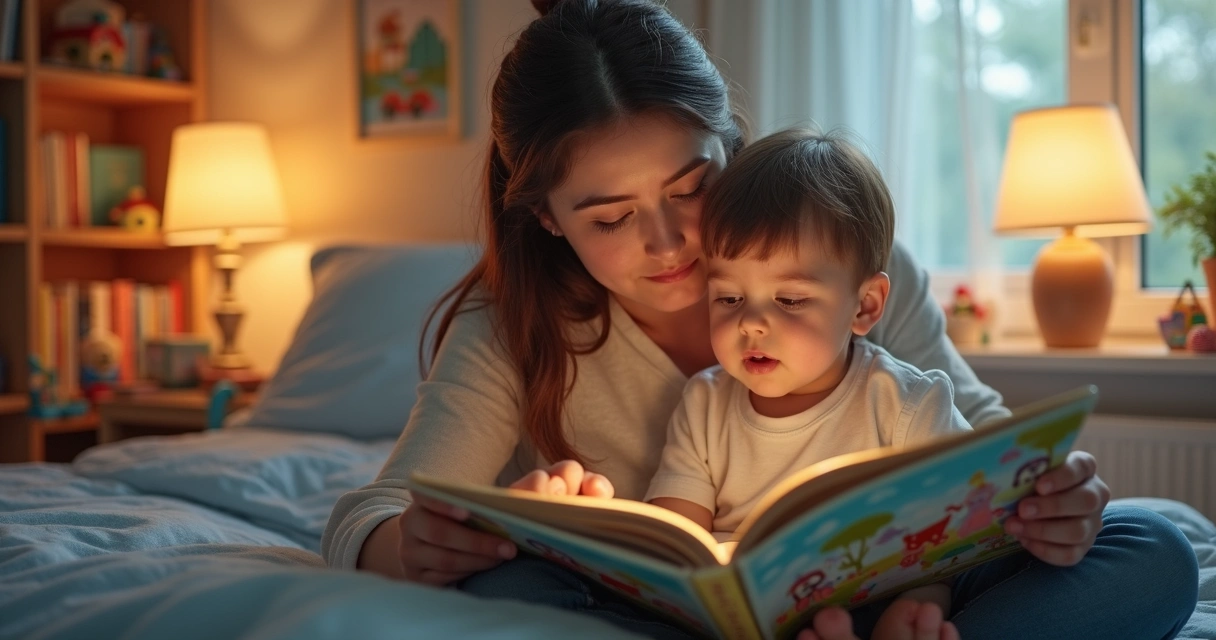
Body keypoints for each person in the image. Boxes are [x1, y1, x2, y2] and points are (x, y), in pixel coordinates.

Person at [322, 1, 1198, 638]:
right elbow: (372, 512)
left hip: (900, 590)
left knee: (1150, 548)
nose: (669, 244)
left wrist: (1055, 500)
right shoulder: (512, 324)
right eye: (611, 216)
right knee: (507, 595)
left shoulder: (851, 268)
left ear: (729, 148)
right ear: (548, 217)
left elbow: (990, 446)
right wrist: (423, 544)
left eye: (689, 188)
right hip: (689, 613)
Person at [642, 128, 964, 640]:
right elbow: (677, 541)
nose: (751, 324)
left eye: (789, 300)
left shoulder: (908, 404)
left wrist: (922, 600)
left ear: (864, 307)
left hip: (870, 602)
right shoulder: (704, 403)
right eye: (727, 298)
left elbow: (963, 524)